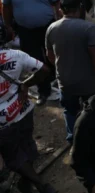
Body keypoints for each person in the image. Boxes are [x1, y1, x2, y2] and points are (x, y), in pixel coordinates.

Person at [46, 0, 95, 144]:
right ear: (80, 8)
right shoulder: (88, 27)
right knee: (94, 110)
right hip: (89, 81)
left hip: (65, 81)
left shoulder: (51, 28)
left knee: (70, 111)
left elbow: (50, 56)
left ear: (61, 10)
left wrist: (64, 67)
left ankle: (74, 140)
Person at [0, 26, 56, 193]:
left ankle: (41, 185)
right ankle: (28, 183)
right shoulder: (16, 55)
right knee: (26, 143)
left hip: (2, 121)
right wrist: (26, 83)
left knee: (13, 155)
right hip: (22, 108)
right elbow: (44, 70)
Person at [2, 0, 61, 105]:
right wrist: (8, 26)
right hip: (26, 30)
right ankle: (44, 91)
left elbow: (57, 2)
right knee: (36, 62)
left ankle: (56, 79)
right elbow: (6, 7)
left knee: (53, 56)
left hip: (47, 27)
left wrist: (60, 21)